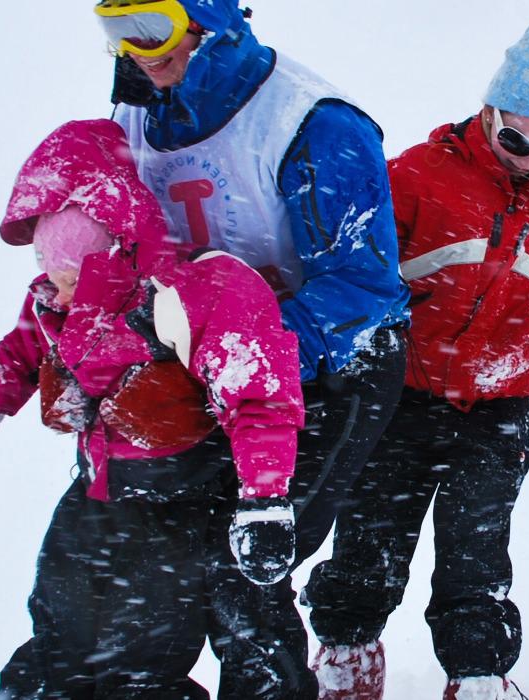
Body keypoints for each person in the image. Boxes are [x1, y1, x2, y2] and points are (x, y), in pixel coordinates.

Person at [299, 19, 529, 699]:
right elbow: (348, 265)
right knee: (372, 533)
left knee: (477, 550)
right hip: (407, 397)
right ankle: (346, 659)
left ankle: (479, 674)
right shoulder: (415, 179)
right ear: (489, 114)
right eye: (516, 141)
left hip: (501, 406)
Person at [94, 1, 411, 694]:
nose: (138, 51)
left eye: (153, 26)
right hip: (195, 365)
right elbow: (109, 249)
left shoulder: (315, 124)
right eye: (116, 29)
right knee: (142, 562)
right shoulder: (135, 117)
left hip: (335, 364)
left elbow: (362, 287)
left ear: (209, 22)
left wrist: (238, 355)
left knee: (243, 561)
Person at [0, 119, 304, 698]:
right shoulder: (58, 305)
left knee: (226, 645)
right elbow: (24, 347)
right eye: (46, 274)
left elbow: (257, 397)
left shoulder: (198, 293)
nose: (52, 293)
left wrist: (263, 499)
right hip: (101, 493)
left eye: (65, 277)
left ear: (105, 259)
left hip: (193, 502)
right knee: (66, 629)